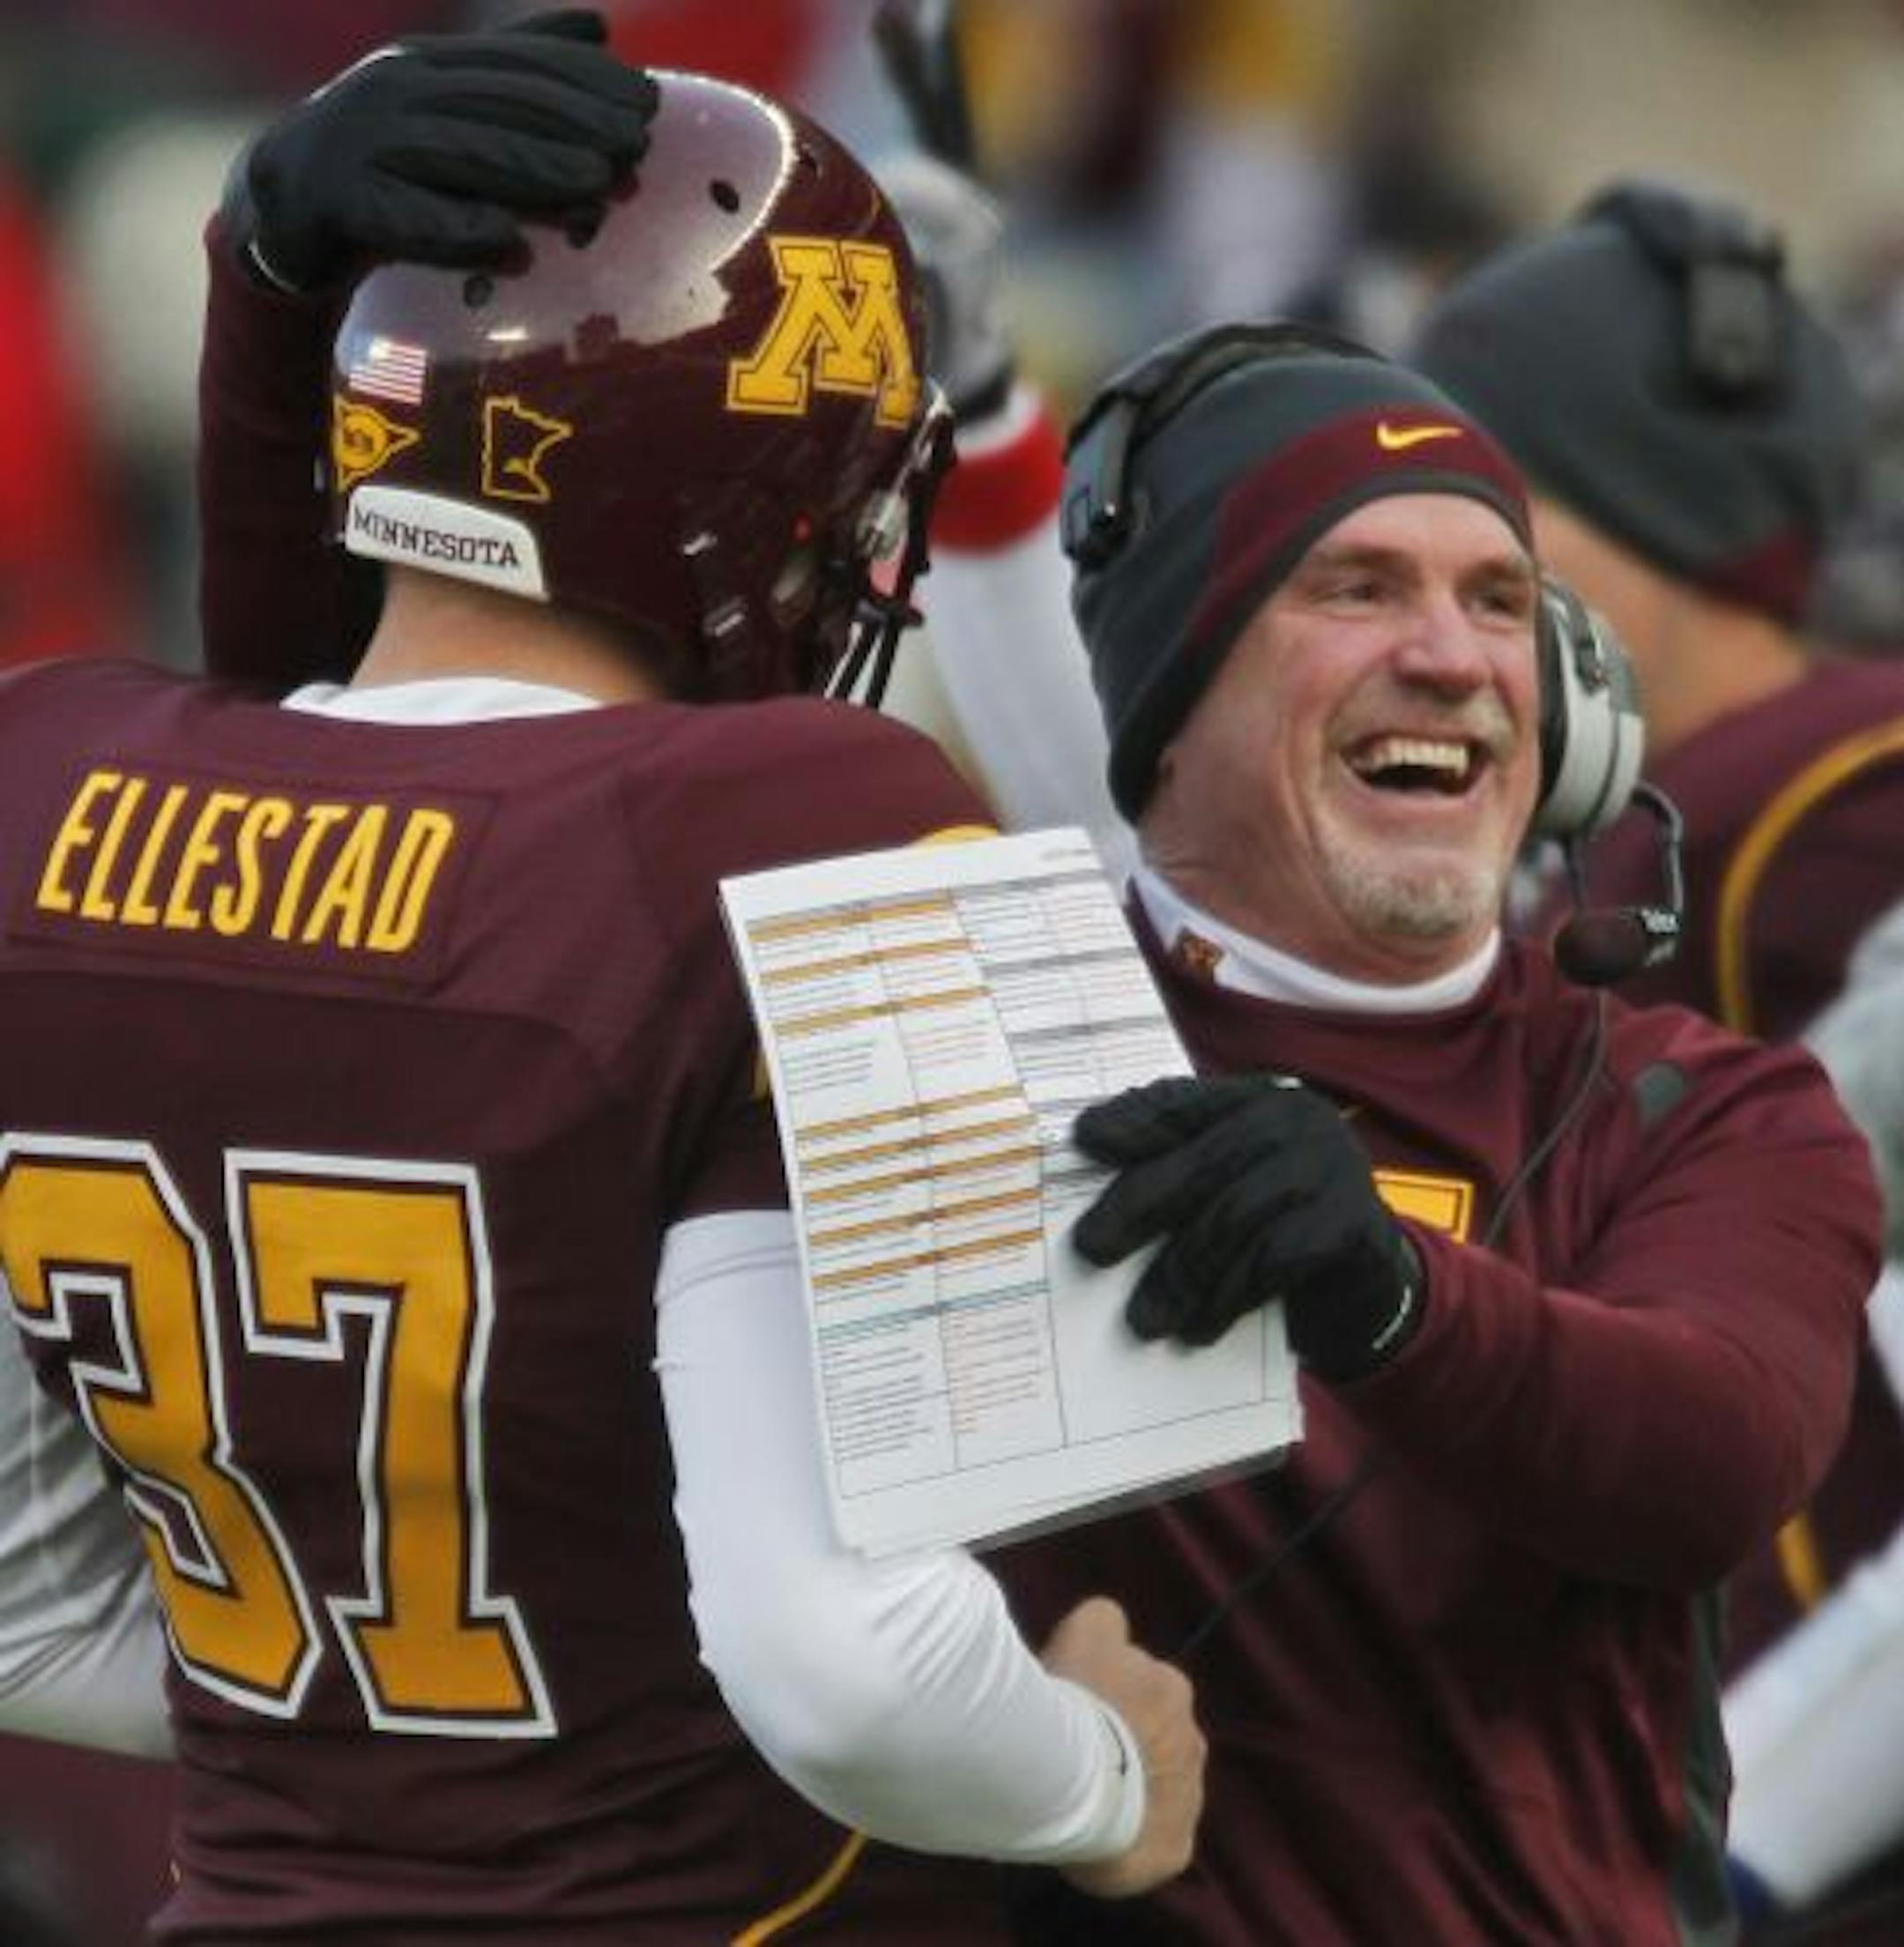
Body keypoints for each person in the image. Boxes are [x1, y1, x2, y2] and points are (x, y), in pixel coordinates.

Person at [150, 28, 1888, 1936]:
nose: (1454, 656)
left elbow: (1708, 1454)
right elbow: (372, 821)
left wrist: (1388, 1290)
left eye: (1496, 600)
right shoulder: (958, 1021)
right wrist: (282, 292)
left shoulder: (1698, 1102)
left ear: (1570, 706)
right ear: (1172, 685)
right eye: (1353, 588)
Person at [0, 31, 1210, 1943]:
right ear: (751, 484)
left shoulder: (44, 778)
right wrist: (1101, 1773)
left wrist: (386, 1714)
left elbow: (24, 1603)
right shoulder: (810, 819)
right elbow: (847, 1671)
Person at [1410, 184, 1904, 1939]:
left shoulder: (1816, 798)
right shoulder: (1620, 810)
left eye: (1484, 498)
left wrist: (1743, 1830)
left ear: (1626, 517)